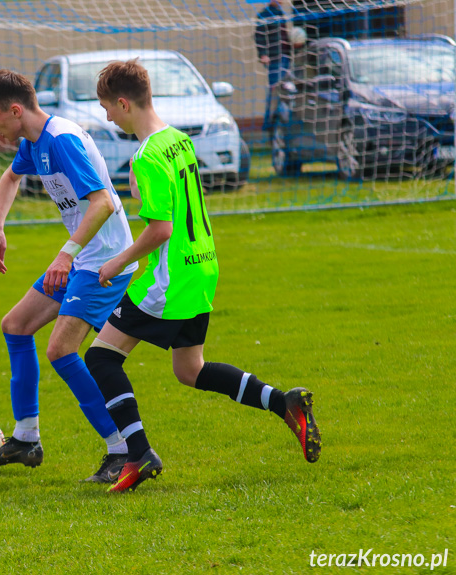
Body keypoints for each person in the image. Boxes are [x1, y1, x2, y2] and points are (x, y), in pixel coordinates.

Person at [85, 59, 322, 493]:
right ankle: (283, 402)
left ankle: (138, 454)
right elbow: (177, 199)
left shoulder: (148, 154)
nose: (106, 117)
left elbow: (161, 229)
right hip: (203, 266)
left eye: (107, 108)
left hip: (170, 278)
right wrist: (142, 189)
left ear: (123, 103)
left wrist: (117, 263)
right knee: (189, 369)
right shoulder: (176, 140)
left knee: (101, 357)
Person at [0, 70, 139, 482]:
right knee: (16, 325)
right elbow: (10, 178)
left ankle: (122, 449)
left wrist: (65, 255)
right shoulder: (34, 140)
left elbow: (101, 203)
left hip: (105, 263)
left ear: (15, 110)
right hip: (82, 260)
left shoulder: (61, 140)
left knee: (61, 350)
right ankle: (27, 439)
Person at [255, 0, 292, 131]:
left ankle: (285, 121)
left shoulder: (281, 13)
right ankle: (269, 123)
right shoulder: (264, 15)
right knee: (275, 90)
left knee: (287, 89)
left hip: (286, 56)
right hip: (275, 58)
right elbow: (259, 36)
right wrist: (263, 54)